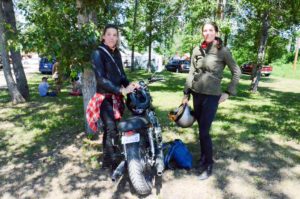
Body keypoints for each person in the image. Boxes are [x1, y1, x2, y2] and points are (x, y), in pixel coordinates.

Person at [182, 21, 241, 180]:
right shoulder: (197, 50)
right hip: (197, 94)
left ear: (215, 32)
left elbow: (237, 71)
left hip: (212, 96)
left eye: (210, 30)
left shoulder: (223, 51)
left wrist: (228, 92)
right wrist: (186, 93)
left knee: (204, 132)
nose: (207, 33)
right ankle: (202, 158)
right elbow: (191, 72)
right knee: (200, 129)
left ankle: (209, 165)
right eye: (205, 30)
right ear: (202, 33)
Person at [87, 24, 138, 170]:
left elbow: (121, 75)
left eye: (115, 35)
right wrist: (120, 90)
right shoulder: (98, 53)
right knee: (111, 129)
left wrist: (130, 85)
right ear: (103, 36)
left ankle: (112, 155)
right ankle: (109, 162)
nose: (112, 37)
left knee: (115, 128)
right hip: (104, 98)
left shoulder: (117, 53)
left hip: (116, 97)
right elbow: (101, 79)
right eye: (109, 34)